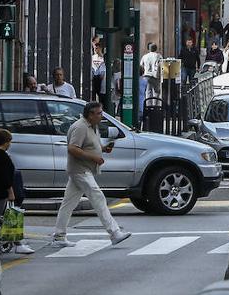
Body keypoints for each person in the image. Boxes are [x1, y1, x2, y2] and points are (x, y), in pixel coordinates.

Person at [52, 102, 131, 247]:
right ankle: (114, 232)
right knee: (98, 197)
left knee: (68, 204)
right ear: (90, 114)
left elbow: (90, 144)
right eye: (99, 113)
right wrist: (94, 158)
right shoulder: (80, 127)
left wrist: (103, 148)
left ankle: (59, 236)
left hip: (83, 170)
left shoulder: (92, 126)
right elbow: (73, 149)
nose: (101, 116)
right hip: (80, 170)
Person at [139, 42, 162, 117]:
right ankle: (155, 107)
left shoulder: (145, 56)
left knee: (148, 92)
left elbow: (141, 65)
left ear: (149, 49)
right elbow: (161, 66)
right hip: (155, 76)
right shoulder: (159, 56)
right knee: (156, 92)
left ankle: (148, 107)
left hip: (146, 75)